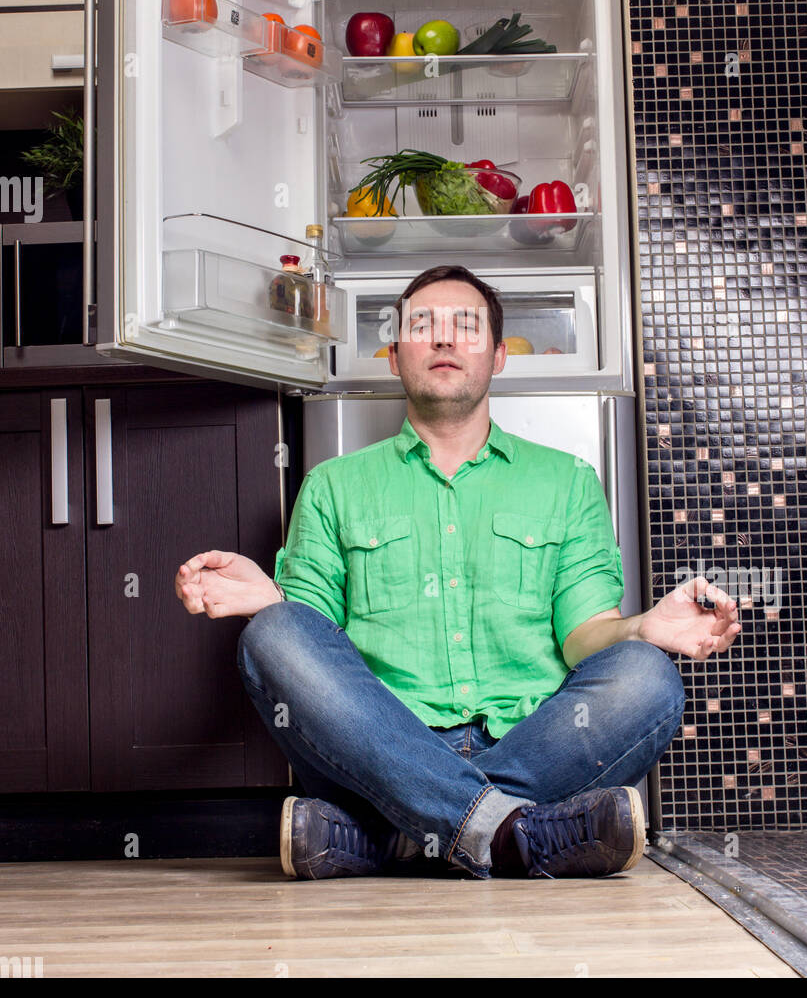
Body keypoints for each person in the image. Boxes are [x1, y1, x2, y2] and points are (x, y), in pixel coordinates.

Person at [175, 264, 740, 881]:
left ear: (498, 356)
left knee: (647, 677)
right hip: (382, 745)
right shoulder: (332, 486)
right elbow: (314, 641)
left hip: (535, 743)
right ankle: (512, 833)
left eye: (465, 327)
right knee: (274, 636)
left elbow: (585, 638)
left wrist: (642, 630)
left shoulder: (568, 481)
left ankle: (395, 835)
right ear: (395, 355)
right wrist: (272, 602)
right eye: (423, 326)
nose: (444, 340)